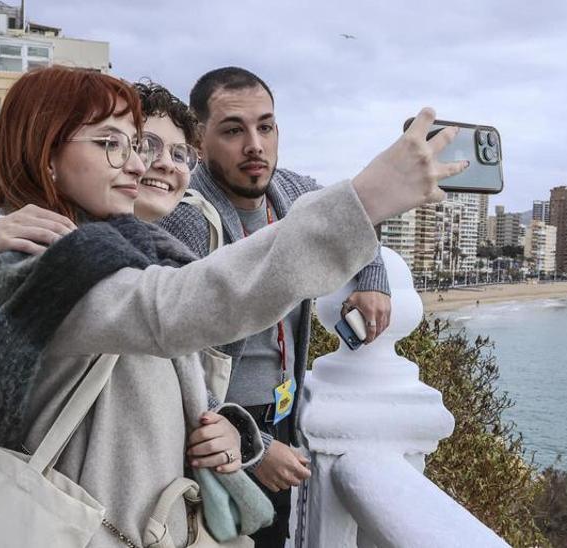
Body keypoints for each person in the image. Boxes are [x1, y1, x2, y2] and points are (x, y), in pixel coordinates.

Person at [0, 66, 464, 546]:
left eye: (139, 144)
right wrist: (365, 199)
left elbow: (168, 379)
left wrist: (233, 430)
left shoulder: (128, 248)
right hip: (92, 523)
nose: (139, 165)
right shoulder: (49, 266)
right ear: (48, 157)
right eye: (111, 143)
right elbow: (183, 307)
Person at [156, 68, 393, 545]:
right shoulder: (187, 218)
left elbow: (356, 214)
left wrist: (373, 281)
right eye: (233, 130)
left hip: (281, 413)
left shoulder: (291, 193)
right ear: (200, 141)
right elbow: (173, 365)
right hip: (216, 424)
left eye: (265, 127)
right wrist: (255, 448)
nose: (254, 146)